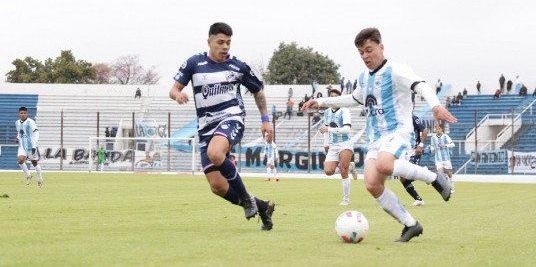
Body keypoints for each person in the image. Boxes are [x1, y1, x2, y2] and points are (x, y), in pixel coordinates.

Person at [301, 27, 455, 242]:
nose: (365, 56)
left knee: (384, 165)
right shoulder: (364, 77)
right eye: (361, 52)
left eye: (369, 50)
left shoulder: (396, 70)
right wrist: (321, 102)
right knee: (372, 184)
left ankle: (435, 179)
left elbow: (421, 86)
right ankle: (411, 224)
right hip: (376, 138)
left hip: (398, 131)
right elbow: (354, 99)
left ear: (381, 47)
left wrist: (435, 106)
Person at [169, 22, 275, 231]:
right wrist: (177, 95)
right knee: (217, 187)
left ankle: (246, 199)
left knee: (216, 153)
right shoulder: (194, 63)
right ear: (209, 41)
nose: (225, 46)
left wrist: (265, 120)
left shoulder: (238, 67)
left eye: (228, 42)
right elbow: (173, 89)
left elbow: (258, 91)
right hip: (206, 128)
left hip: (231, 119)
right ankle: (262, 206)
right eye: (220, 42)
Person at [320, 88, 357, 205]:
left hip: (345, 143)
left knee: (343, 169)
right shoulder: (327, 112)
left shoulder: (345, 111)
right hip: (333, 144)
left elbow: (347, 129)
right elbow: (325, 130)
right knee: (328, 171)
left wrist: (329, 129)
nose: (333, 98)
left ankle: (346, 199)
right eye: (331, 96)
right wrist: (326, 144)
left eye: (336, 96)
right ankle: (351, 167)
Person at [400, 115, 429, 206]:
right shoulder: (398, 117)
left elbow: (424, 130)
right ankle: (418, 199)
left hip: (414, 150)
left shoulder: (412, 118)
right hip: (404, 151)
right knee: (403, 179)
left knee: (409, 173)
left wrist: (421, 145)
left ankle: (425, 173)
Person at [15, 106, 43, 187]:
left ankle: (40, 179)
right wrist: (17, 138)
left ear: (27, 114)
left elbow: (36, 133)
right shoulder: (17, 122)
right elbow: (19, 132)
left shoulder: (31, 122)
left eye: (24, 113)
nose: (23, 114)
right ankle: (28, 175)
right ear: (19, 114)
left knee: (34, 162)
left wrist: (34, 145)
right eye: (21, 113)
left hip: (31, 146)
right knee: (20, 161)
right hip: (22, 146)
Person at [431, 126, 455, 192]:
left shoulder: (445, 136)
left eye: (439, 129)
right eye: (436, 129)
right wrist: (432, 150)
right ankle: (446, 188)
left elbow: (453, 144)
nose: (438, 130)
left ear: (442, 130)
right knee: (440, 174)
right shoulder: (433, 138)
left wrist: (445, 145)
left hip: (446, 159)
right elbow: (432, 146)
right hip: (438, 159)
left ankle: (452, 186)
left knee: (449, 174)